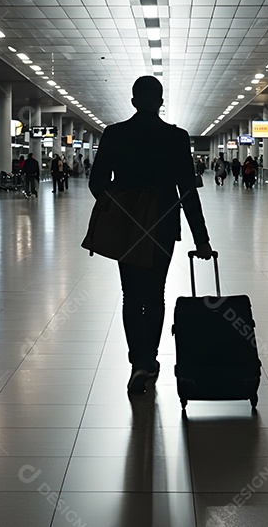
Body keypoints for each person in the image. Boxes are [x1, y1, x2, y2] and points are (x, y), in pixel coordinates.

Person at [89, 76, 213, 394]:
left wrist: (122, 204)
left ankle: (137, 362)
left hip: (127, 226)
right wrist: (201, 238)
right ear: (160, 102)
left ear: (133, 101)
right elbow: (187, 190)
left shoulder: (115, 134)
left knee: (131, 294)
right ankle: (150, 360)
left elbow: (97, 182)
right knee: (155, 293)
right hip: (163, 223)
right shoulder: (176, 137)